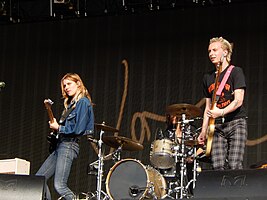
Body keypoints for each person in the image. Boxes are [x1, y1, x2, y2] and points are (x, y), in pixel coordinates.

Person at [36, 73, 94, 200]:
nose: (66, 87)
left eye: (69, 84)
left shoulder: (83, 102)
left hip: (69, 146)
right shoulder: (71, 105)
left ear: (78, 83)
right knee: (38, 180)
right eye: (64, 85)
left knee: (60, 185)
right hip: (61, 145)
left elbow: (79, 129)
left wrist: (59, 128)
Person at [198, 37, 247, 170]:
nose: (211, 54)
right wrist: (203, 130)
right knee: (217, 166)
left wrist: (222, 112)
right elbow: (208, 107)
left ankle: (237, 191)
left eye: (215, 50)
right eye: (209, 51)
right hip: (217, 127)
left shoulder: (236, 72)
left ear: (225, 52)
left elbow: (238, 100)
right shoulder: (207, 78)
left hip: (236, 123)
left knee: (234, 164)